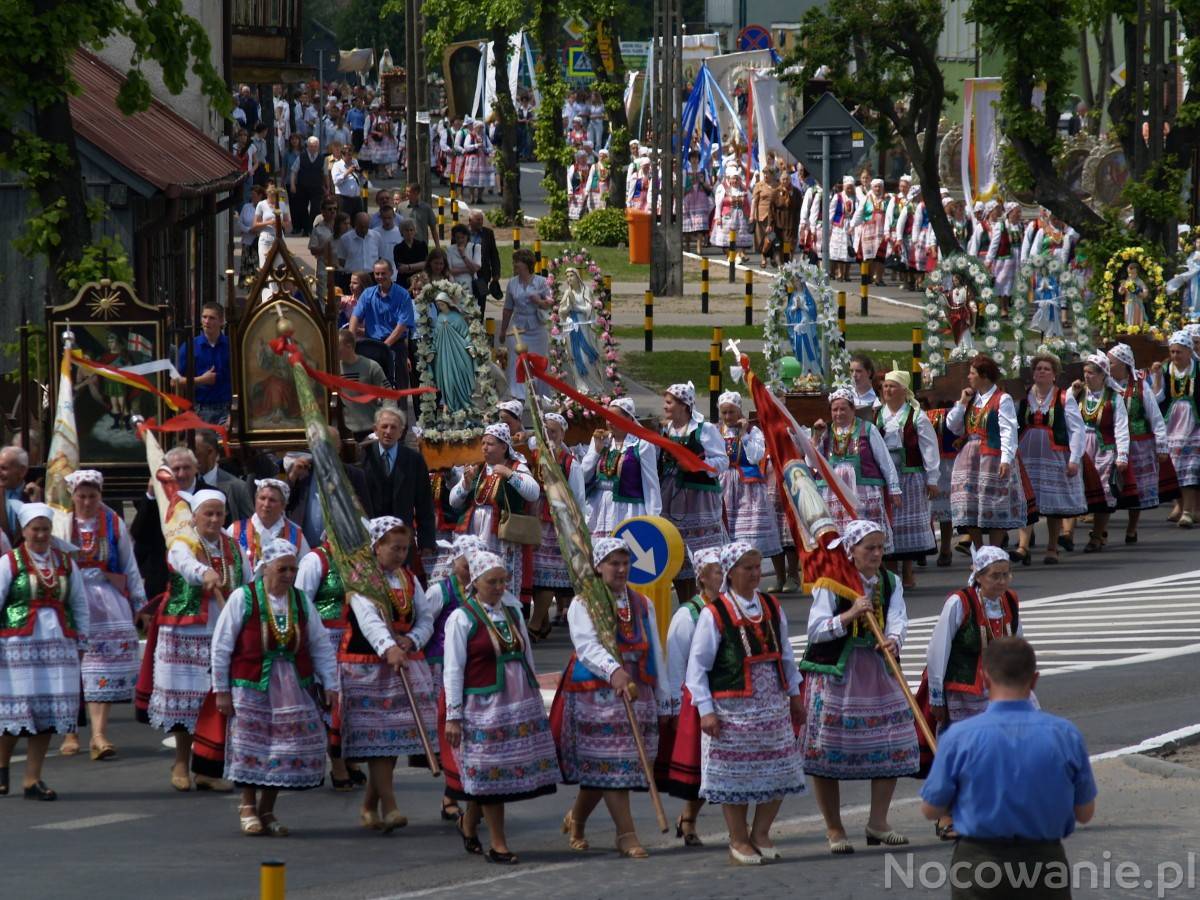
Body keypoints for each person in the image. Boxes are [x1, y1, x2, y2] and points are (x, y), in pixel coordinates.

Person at [921, 637, 1097, 898]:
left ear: (985, 677)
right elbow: (1085, 812)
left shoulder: (959, 737)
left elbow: (931, 809)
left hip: (979, 863)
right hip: (1044, 862)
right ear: (1034, 680)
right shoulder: (1065, 734)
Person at [801, 519, 918, 854]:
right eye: (870, 548)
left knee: (894, 739)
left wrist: (895, 639)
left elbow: (898, 616)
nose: (877, 554)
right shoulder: (831, 582)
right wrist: (851, 614)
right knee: (828, 749)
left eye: (881, 547)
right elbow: (815, 630)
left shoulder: (889, 580)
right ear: (851, 551)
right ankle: (834, 827)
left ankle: (878, 822)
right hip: (838, 670)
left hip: (877, 668)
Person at [551, 538, 673, 859]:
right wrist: (614, 670)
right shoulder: (584, 602)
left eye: (625, 563)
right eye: (613, 563)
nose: (620, 569)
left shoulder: (642, 603)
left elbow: (656, 649)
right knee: (613, 765)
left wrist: (664, 697)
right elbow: (587, 647)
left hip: (637, 689)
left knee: (610, 768)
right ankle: (626, 834)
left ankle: (576, 818)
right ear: (598, 567)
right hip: (598, 692)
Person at [685, 542, 806, 865]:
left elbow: (787, 654)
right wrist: (706, 711)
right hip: (731, 709)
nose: (754, 574)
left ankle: (761, 832)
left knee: (781, 768)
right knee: (734, 775)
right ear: (730, 572)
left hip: (772, 706)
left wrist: (795, 695)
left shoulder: (770, 605)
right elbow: (697, 667)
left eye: (756, 567)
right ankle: (738, 839)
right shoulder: (716, 613)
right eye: (747, 568)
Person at [441, 548, 560, 864]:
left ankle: (468, 822)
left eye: (503, 582)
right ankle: (498, 843)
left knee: (496, 773)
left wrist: (534, 692)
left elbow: (526, 655)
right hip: (482, 706)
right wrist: (453, 716)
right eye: (492, 582)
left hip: (517, 701)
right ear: (476, 582)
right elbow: (453, 669)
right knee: (490, 773)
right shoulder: (461, 618)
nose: (498, 587)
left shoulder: (514, 611)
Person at [211, 540, 338, 836]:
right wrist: (221, 690)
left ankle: (268, 809)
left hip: (293, 685)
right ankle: (247, 807)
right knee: (252, 745)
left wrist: (330, 683)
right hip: (252, 684)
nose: (289, 574)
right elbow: (221, 646)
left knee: (285, 748)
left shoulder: (301, 601)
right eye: (283, 568)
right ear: (265, 567)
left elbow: (319, 644)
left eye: (293, 569)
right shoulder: (243, 598)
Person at [339, 517, 439, 832]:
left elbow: (425, 617)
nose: (400, 554)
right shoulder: (361, 580)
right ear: (377, 547)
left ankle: (370, 805)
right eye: (394, 548)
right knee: (380, 741)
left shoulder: (407, 578)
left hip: (403, 661)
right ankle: (391, 805)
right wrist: (388, 647)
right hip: (367, 665)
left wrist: (413, 640)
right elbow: (368, 620)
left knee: (391, 741)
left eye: (404, 549)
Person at [146, 489, 250, 791]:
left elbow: (249, 580)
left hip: (222, 633)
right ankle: (180, 763)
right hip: (186, 632)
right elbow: (184, 564)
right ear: (195, 516)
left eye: (219, 513)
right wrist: (204, 572)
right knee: (186, 700)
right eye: (209, 513)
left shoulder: (232, 546)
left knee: (215, 700)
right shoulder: (184, 543)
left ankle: (207, 769)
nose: (215, 519)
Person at [924, 546, 1022, 841]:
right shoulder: (959, 602)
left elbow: (1018, 643)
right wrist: (937, 697)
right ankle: (947, 815)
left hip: (999, 692)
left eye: (1006, 575)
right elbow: (937, 649)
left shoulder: (1010, 602)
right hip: (962, 691)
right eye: (995, 576)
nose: (1002, 582)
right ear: (978, 576)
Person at [0, 503, 88, 800]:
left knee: (47, 713)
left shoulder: (65, 562)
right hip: (17, 647)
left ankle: (32, 779)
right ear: (23, 531)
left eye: (45, 529)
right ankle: (1, 767)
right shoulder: (9, 562)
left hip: (58, 648)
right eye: (35, 529)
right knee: (15, 711)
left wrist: (82, 641)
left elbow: (79, 602)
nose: (40, 535)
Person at [55, 471, 145, 761]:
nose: (87, 501)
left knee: (101, 668)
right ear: (73, 496)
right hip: (71, 600)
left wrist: (139, 603)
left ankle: (98, 733)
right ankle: (70, 732)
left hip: (106, 599)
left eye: (92, 496)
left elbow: (129, 564)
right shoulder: (60, 524)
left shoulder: (112, 523)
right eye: (81, 496)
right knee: (71, 667)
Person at [294, 535, 364, 792]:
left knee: (350, 702)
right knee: (329, 700)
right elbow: (302, 602)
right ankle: (337, 763)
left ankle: (348, 756)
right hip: (326, 638)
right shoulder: (316, 560)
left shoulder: (359, 562)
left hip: (353, 639)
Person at [662, 548, 721, 846]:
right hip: (695, 700)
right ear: (702, 577)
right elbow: (676, 665)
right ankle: (689, 819)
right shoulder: (688, 615)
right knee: (699, 766)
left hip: (726, 695)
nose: (724, 576)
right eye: (718, 571)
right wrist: (673, 706)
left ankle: (689, 818)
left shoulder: (734, 608)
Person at [448, 423, 541, 603]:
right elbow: (453, 501)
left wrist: (509, 474)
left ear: (504, 446)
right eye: (483, 443)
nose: (484, 448)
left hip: (501, 535)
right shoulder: (478, 469)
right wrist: (465, 485)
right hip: (475, 532)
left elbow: (534, 493)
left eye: (490, 444)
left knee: (499, 574)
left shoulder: (516, 466)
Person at [1011, 352, 1086, 565]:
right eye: (1038, 369)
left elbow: (1076, 429)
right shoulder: (1024, 397)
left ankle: (1052, 547)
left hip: (1055, 457)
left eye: (1046, 369)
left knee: (1053, 505)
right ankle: (1023, 546)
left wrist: (1074, 458)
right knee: (1026, 501)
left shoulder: (1064, 397)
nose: (1041, 372)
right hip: (1028, 457)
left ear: (1054, 375)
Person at [946, 355, 1025, 549]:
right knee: (969, 504)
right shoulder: (972, 399)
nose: (969, 377)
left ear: (984, 376)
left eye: (972, 373)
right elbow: (953, 427)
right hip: (969, 457)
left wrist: (1006, 459)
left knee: (993, 504)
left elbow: (1008, 430)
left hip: (992, 456)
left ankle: (995, 549)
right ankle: (979, 549)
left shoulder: (1002, 399)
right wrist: (962, 403)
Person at [659, 382, 729, 602]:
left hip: (698, 499)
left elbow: (722, 460)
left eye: (669, 403)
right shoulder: (666, 430)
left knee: (701, 554)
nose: (665, 407)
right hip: (671, 497)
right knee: (678, 555)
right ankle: (685, 602)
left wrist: (696, 465)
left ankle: (707, 600)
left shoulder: (703, 429)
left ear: (684, 405)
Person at [810, 387, 901, 553]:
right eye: (834, 409)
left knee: (866, 538)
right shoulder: (825, 432)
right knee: (838, 540)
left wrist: (894, 489)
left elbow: (885, 461)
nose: (838, 413)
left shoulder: (868, 429)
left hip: (864, 492)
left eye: (843, 409)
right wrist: (816, 437)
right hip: (833, 494)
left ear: (853, 409)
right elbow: (811, 462)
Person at [876, 367, 939, 587]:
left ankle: (908, 570)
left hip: (909, 477)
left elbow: (929, 448)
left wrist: (932, 478)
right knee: (890, 524)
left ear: (904, 390)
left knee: (907, 525)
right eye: (885, 386)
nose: (887, 390)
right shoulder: (877, 415)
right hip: (885, 478)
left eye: (892, 386)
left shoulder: (917, 416)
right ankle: (892, 572)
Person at [529, 411, 587, 641]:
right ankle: (542, 622)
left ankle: (535, 624)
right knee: (535, 574)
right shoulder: (536, 456)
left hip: (557, 523)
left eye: (553, 431)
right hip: (536, 520)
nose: (549, 436)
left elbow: (578, 498)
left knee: (547, 575)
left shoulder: (570, 462)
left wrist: (576, 528)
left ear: (562, 433)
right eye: (545, 432)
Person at [1108, 342, 1169, 542]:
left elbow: (1155, 416)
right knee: (1108, 487)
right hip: (1111, 443)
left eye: (1111, 362)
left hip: (1138, 443)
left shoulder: (1140, 385)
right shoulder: (1105, 384)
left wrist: (1161, 445)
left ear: (1124, 364)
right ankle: (1101, 530)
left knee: (1137, 489)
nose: (1108, 365)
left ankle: (1132, 527)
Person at [357, 408, 437, 561]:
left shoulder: (414, 461)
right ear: (375, 429)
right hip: (370, 543)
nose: (388, 431)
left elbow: (424, 505)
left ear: (401, 432)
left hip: (403, 544)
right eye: (384, 426)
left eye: (394, 427)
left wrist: (426, 544)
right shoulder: (363, 457)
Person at [580, 396, 663, 538]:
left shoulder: (642, 444)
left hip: (629, 510)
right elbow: (583, 476)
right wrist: (596, 452)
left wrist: (654, 519)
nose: (610, 423)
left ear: (629, 419)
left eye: (615, 419)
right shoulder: (601, 440)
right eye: (608, 418)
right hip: (599, 508)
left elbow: (651, 485)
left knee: (627, 551)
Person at [716, 392, 782, 562]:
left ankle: (776, 576)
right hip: (723, 485)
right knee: (725, 533)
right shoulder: (716, 430)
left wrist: (744, 434)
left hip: (748, 487)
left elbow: (755, 457)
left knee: (748, 534)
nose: (728, 416)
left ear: (739, 411)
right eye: (724, 413)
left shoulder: (753, 431)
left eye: (732, 412)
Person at [1075, 353, 1131, 553]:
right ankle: (1067, 534)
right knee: (1076, 489)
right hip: (1081, 449)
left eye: (1090, 373)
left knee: (1103, 492)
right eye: (1085, 373)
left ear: (1102, 375)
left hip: (1104, 449)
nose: (1087, 377)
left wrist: (1122, 455)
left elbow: (1121, 427)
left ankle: (1097, 535)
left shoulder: (1114, 398)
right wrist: (1071, 393)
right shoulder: (1078, 394)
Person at [348, 260, 416, 390]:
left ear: (391, 273)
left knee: (398, 388)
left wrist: (384, 346)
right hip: (372, 345)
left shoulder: (402, 295)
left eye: (383, 273)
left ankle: (399, 410)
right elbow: (355, 317)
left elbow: (402, 325)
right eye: (377, 273)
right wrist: (351, 339)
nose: (379, 277)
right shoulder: (368, 294)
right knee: (371, 388)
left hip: (395, 346)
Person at [499, 249, 554, 400]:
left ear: (526, 264)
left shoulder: (541, 282)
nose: (514, 265)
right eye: (514, 261)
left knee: (539, 361)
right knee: (516, 362)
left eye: (517, 261)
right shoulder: (512, 283)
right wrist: (503, 331)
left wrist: (539, 301)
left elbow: (550, 304)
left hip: (537, 327)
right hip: (517, 328)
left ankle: (540, 395)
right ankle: (518, 395)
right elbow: (507, 308)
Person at [1158, 331, 1200, 527]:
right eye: (1172, 352)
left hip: (1195, 423)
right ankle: (1181, 506)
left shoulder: (1197, 368)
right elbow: (1158, 397)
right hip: (1173, 423)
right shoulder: (1167, 370)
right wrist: (1157, 377)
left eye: (1179, 352)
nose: (1175, 356)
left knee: (1191, 467)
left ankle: (1189, 511)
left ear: (1189, 352)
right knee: (1176, 468)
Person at [228, 479, 310, 571]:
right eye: (262, 498)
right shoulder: (236, 530)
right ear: (255, 500)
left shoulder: (296, 535)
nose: (266, 504)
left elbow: (305, 568)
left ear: (283, 505)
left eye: (272, 500)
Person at [175, 302, 234, 427]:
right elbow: (175, 381)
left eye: (212, 318)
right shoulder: (190, 347)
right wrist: (201, 380)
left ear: (221, 321)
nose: (207, 321)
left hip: (227, 409)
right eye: (204, 317)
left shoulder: (232, 346)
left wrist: (233, 413)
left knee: (225, 445)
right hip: (201, 410)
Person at [556, 267, 607, 396]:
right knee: (574, 358)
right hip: (572, 329)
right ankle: (582, 388)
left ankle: (596, 387)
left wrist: (575, 305)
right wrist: (567, 308)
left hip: (585, 328)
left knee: (587, 357)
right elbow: (561, 312)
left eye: (571, 276)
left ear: (577, 277)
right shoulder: (568, 293)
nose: (569, 279)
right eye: (567, 277)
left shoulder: (586, 291)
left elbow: (589, 310)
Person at [290, 136, 326, 235]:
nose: (313, 148)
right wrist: (293, 184)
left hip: (317, 187)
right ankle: (306, 229)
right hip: (303, 187)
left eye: (315, 146)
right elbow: (294, 171)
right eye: (311, 146)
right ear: (307, 146)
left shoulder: (322, 158)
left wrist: (327, 187)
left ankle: (312, 228)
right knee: (302, 208)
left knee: (316, 208)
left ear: (318, 147)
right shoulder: (301, 156)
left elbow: (325, 174)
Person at [467, 210, 502, 309]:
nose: (480, 222)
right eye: (477, 220)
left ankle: (480, 323)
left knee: (481, 301)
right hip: (465, 274)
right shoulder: (461, 233)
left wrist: (496, 273)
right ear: (470, 221)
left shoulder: (488, 233)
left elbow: (494, 254)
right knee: (466, 301)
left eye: (481, 219)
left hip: (482, 276)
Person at [338, 213, 385, 281]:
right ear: (355, 225)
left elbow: (380, 256)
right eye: (361, 227)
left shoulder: (376, 236)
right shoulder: (345, 239)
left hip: (372, 275)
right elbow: (341, 260)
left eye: (366, 227)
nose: (363, 229)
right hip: (352, 276)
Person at [391, 218, 428, 291]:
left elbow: (425, 264)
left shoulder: (422, 245)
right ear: (402, 232)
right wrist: (418, 266)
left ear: (415, 231)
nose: (409, 232)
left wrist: (408, 267)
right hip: (403, 281)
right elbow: (401, 269)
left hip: (420, 280)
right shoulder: (398, 248)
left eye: (411, 230)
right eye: (406, 230)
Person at [402, 181, 440, 249]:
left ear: (416, 193)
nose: (406, 194)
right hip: (404, 245)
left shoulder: (426, 208)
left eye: (409, 192)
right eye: (406, 191)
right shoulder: (401, 207)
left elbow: (433, 228)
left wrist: (437, 246)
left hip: (421, 245)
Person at [331, 144, 365, 216]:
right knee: (343, 221)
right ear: (343, 155)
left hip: (356, 199)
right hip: (343, 199)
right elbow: (336, 181)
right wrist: (347, 172)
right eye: (348, 155)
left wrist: (361, 174)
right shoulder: (337, 165)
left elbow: (361, 181)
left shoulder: (355, 161)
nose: (351, 157)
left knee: (358, 220)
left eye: (351, 154)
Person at [446, 223, 481, 292]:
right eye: (457, 238)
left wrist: (463, 255)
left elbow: (476, 268)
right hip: (455, 285)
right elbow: (448, 270)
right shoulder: (450, 249)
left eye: (462, 237)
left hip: (471, 285)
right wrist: (468, 270)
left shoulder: (475, 247)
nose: (460, 240)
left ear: (467, 236)